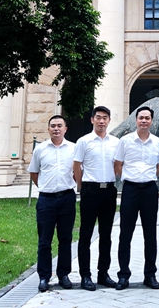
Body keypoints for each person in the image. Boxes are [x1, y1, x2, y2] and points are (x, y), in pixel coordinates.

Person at [113, 106, 159, 290]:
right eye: (141, 118)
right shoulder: (125, 141)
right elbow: (118, 164)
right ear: (136, 120)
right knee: (125, 233)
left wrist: (146, 178)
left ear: (151, 121)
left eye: (147, 118)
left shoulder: (157, 142)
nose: (144, 121)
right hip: (130, 190)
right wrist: (129, 178)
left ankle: (150, 275)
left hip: (149, 190)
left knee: (150, 234)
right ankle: (123, 275)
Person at [28, 115, 76, 292]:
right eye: (53, 126)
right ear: (48, 129)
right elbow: (34, 172)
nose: (56, 129)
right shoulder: (40, 149)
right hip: (46, 200)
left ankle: (63, 275)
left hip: (67, 198)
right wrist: (44, 187)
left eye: (59, 126)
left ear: (65, 129)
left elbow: (77, 171)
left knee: (65, 238)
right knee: (44, 241)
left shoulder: (73, 149)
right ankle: (44, 277)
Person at [73, 106, 119, 291]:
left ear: (109, 120)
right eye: (98, 117)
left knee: (106, 235)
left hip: (109, 190)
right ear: (92, 120)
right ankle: (85, 275)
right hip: (90, 190)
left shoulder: (115, 142)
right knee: (86, 234)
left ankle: (103, 273)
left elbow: (118, 165)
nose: (101, 121)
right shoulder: (84, 141)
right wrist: (81, 186)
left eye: (105, 118)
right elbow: (76, 166)